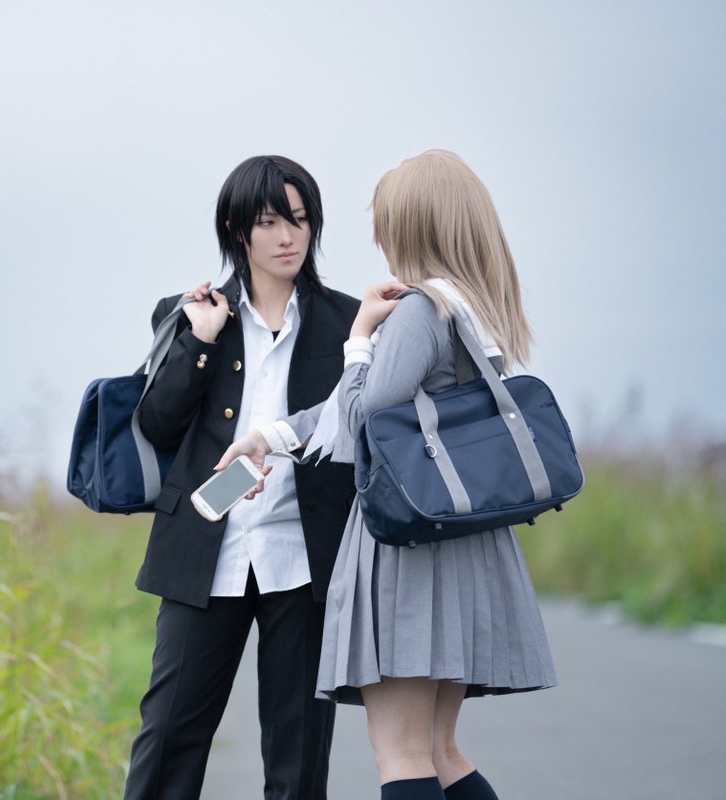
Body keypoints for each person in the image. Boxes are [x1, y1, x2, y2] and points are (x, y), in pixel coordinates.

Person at [219, 149, 557, 800]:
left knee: (402, 754)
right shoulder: (475, 309)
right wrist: (272, 435)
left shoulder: (420, 312)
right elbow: (379, 405)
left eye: (387, 224)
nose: (381, 240)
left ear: (412, 226)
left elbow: (361, 420)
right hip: (465, 544)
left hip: (410, 550)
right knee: (441, 751)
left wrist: (358, 338)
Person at [124, 155, 360, 800]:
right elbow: (158, 425)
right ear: (237, 229)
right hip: (205, 550)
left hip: (305, 560)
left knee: (298, 755)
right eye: (270, 222)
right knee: (168, 737)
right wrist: (200, 342)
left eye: (300, 220)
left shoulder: (347, 322)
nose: (288, 237)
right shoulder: (191, 312)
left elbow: (359, 428)